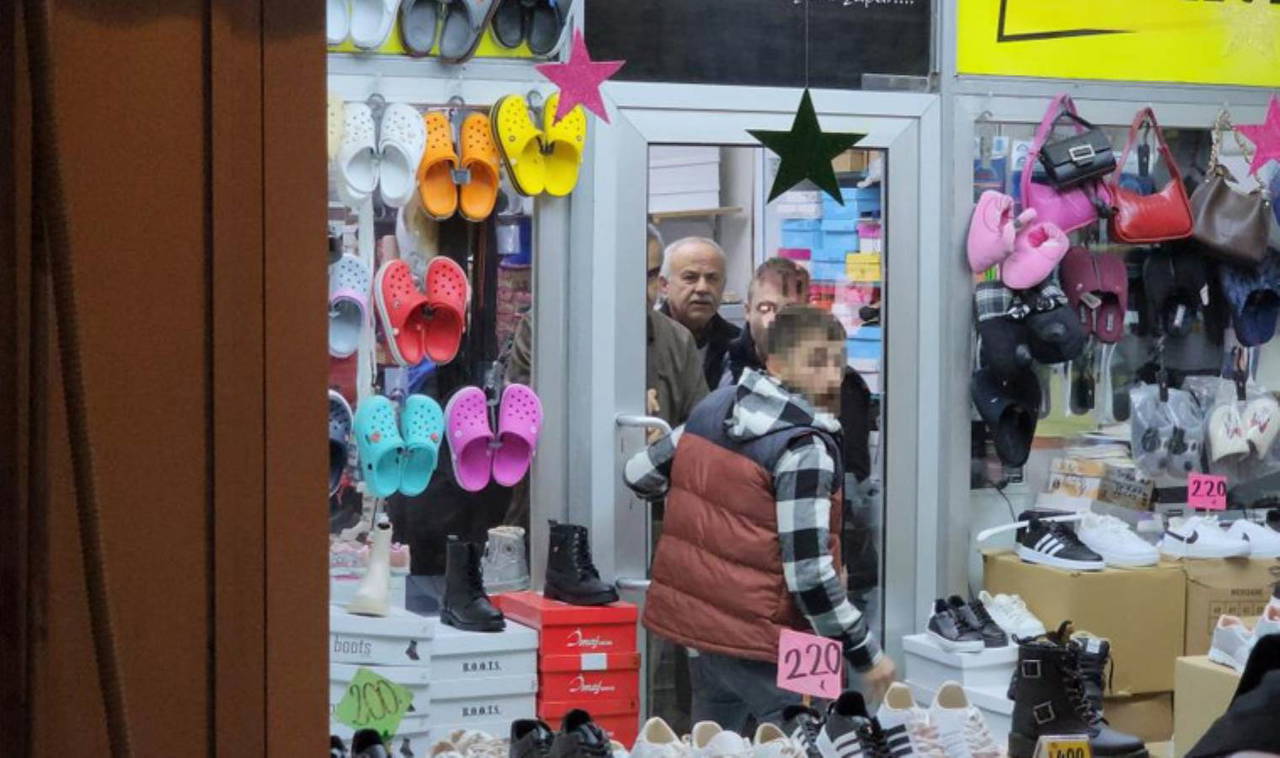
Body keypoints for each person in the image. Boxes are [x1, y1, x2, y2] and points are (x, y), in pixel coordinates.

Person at [625, 305, 897, 732]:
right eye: (816, 362)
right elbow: (809, 577)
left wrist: (700, 493)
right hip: (785, 644)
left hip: (706, 638)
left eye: (837, 362)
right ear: (775, 363)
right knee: (812, 743)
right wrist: (867, 654)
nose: (831, 377)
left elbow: (640, 474)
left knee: (714, 745)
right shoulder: (805, 448)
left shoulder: (715, 408)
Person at [721, 259, 881, 612]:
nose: (774, 321)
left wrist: (838, 562)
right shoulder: (726, 372)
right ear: (747, 311)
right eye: (766, 308)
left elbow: (848, 486)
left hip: (821, 556)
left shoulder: (838, 383)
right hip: (738, 561)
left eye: (787, 311)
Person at [658, 236, 740, 391]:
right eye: (690, 278)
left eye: (712, 278)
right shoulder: (645, 341)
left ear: (723, 285)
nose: (702, 288)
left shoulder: (738, 346)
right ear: (664, 285)